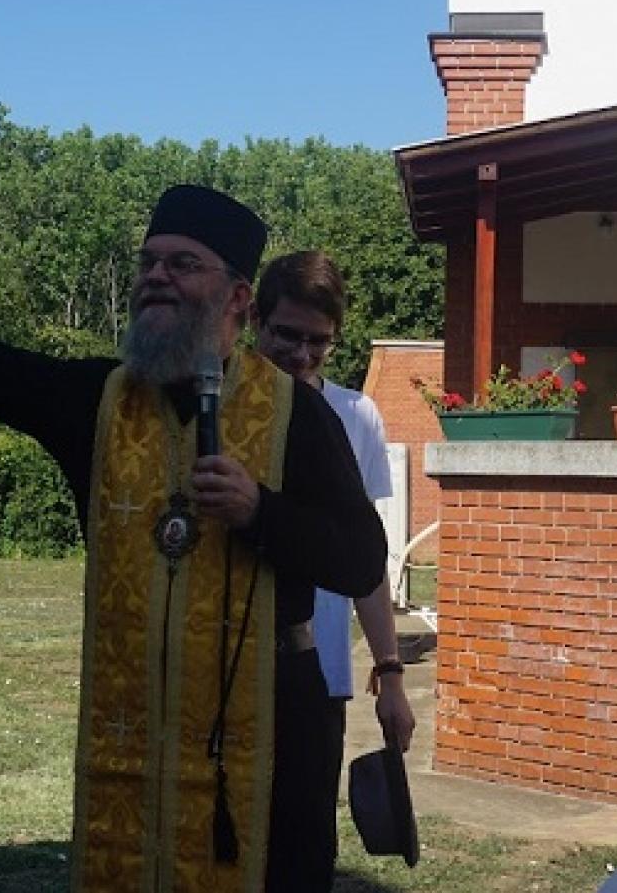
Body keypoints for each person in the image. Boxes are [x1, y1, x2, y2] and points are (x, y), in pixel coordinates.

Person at [0, 170, 386, 892]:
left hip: (271, 726)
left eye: (182, 263)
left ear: (238, 297)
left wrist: (262, 511)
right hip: (134, 724)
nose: (156, 277)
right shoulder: (98, 400)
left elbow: (363, 559)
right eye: (148, 262)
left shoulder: (297, 413)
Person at [253, 251, 415, 885]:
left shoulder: (356, 415)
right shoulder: (221, 408)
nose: (301, 355)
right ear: (255, 321)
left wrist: (390, 674)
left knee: (303, 847)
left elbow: (365, 560)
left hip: (318, 673)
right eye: (286, 335)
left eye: (318, 342)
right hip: (229, 665)